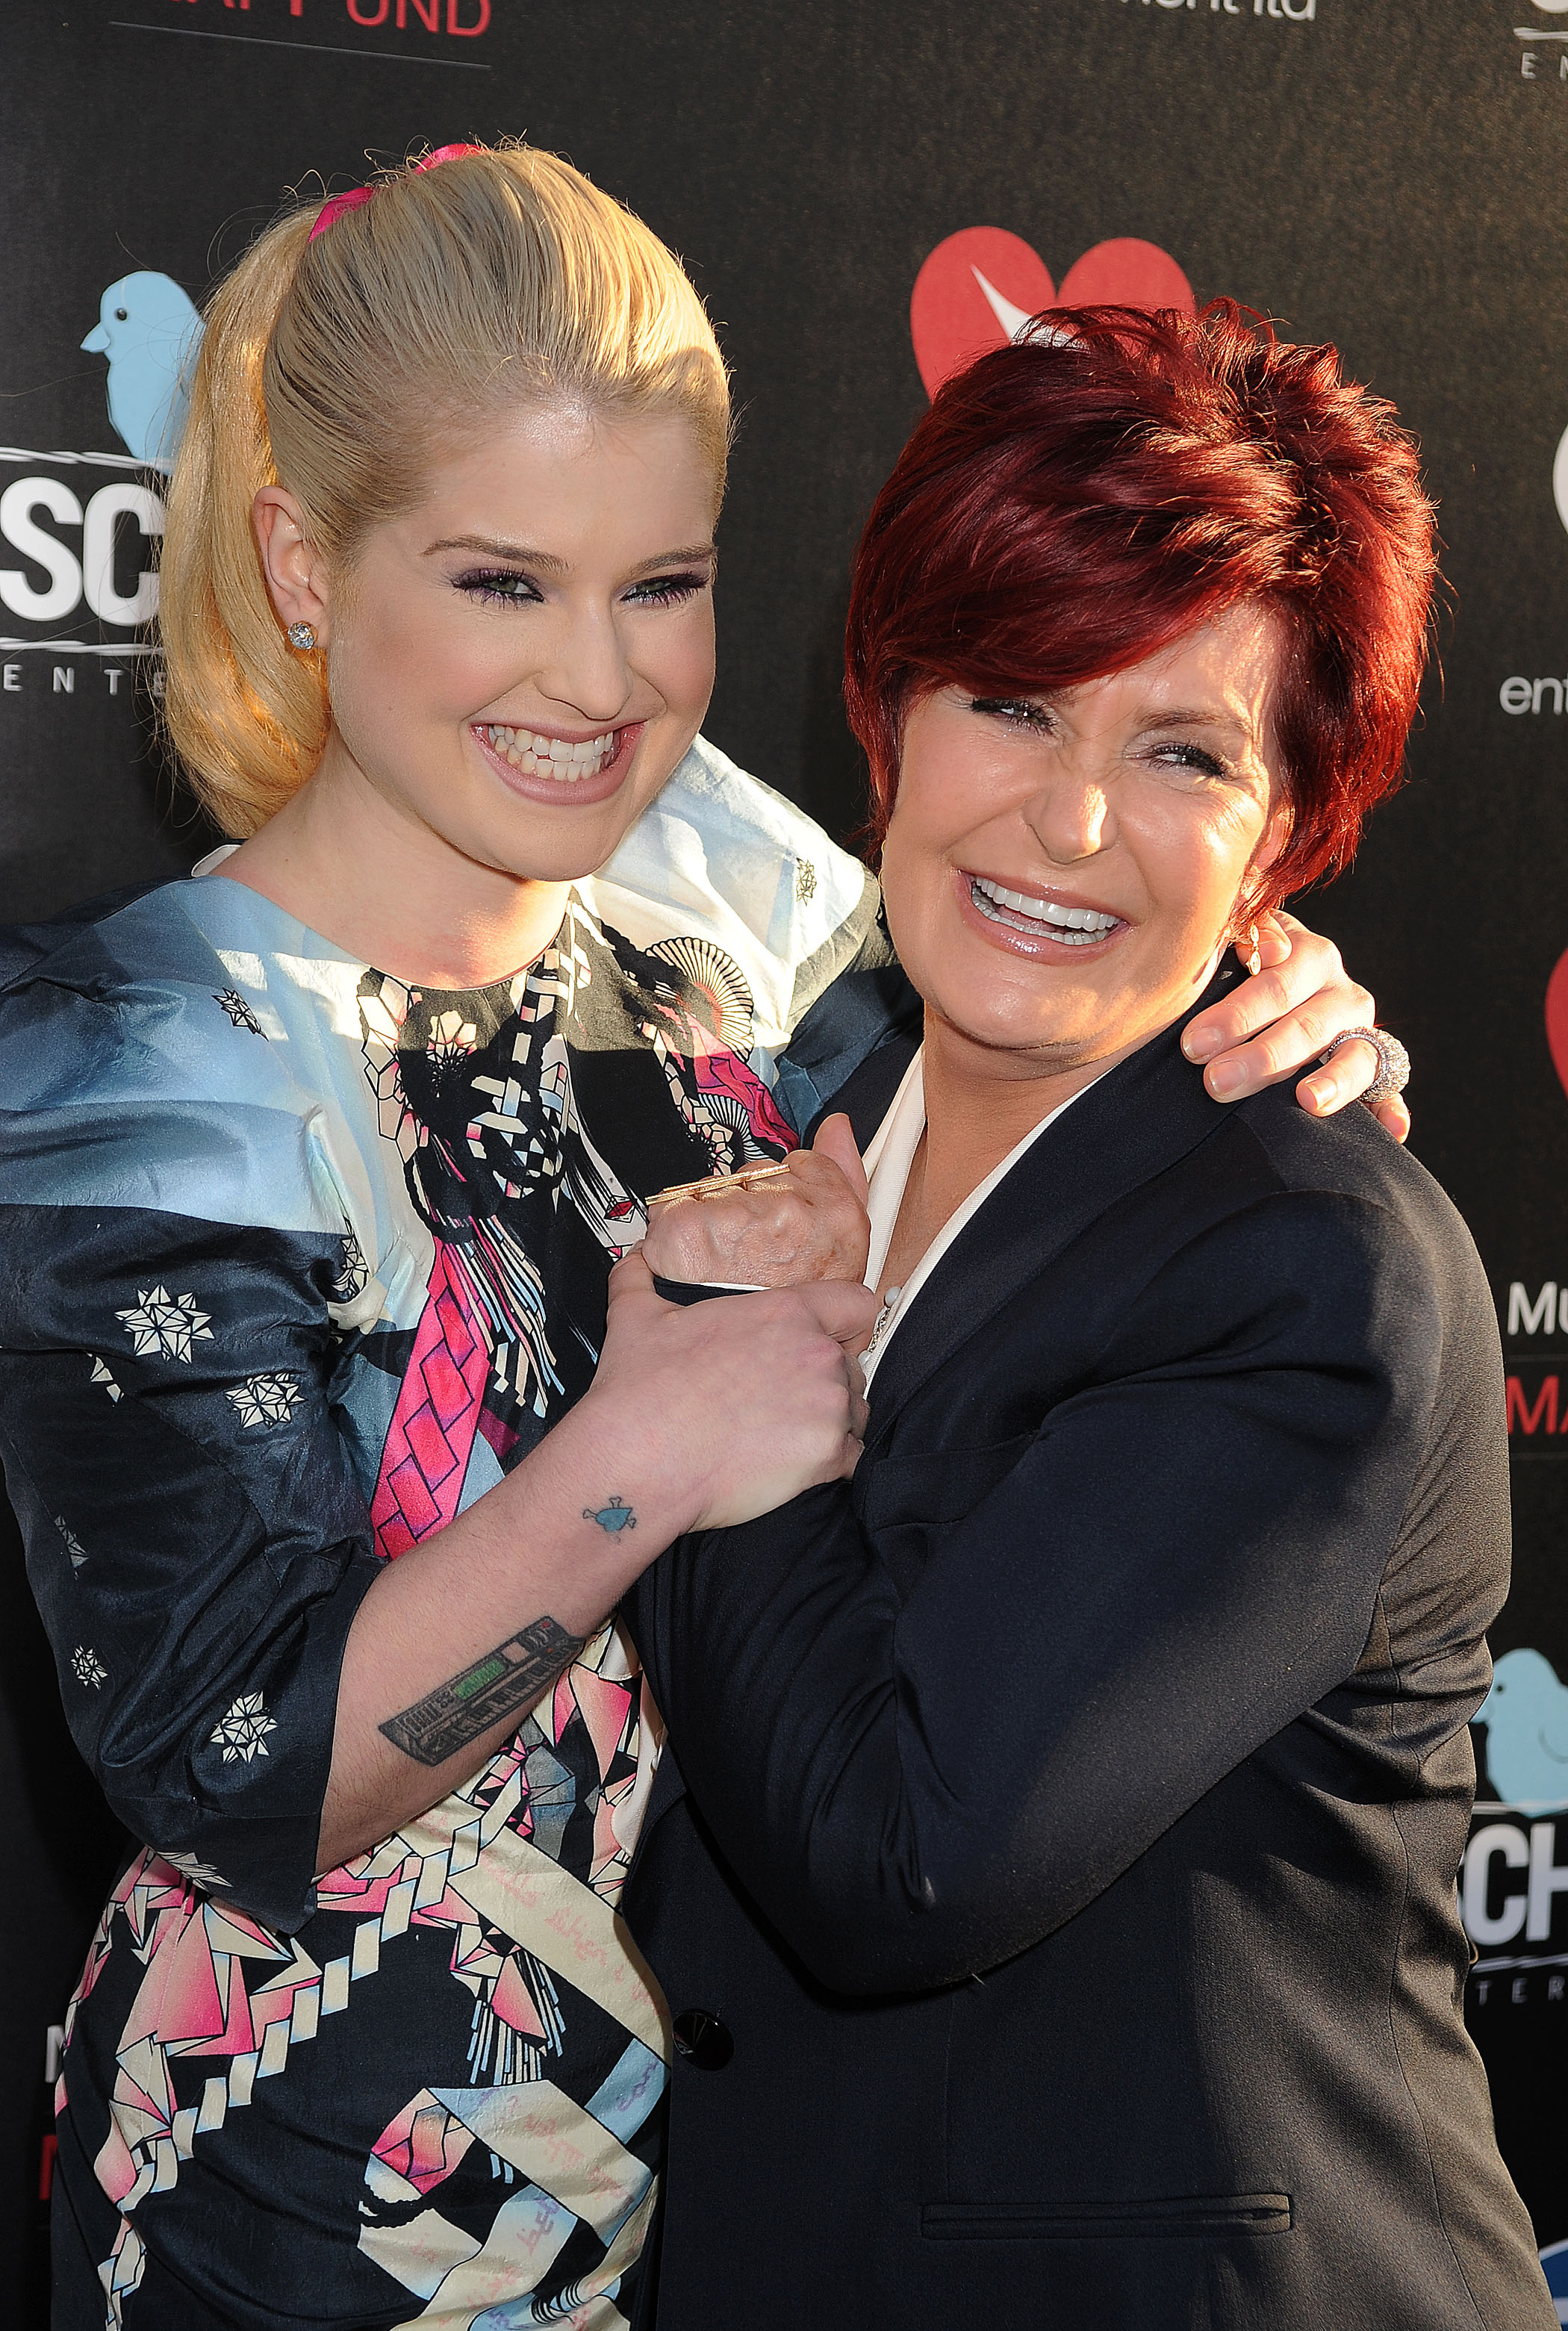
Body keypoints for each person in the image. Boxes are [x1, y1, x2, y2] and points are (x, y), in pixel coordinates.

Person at [0, 144, 1405, 2330]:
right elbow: (229, 1765)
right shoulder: (131, 1058)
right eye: (499, 582)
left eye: (660, 583)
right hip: (294, 2218)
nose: (603, 681)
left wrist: (1257, 963)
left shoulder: (719, 928)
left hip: (709, 2214)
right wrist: (647, 1445)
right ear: (299, 560)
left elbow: (1041, 944)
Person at [623, 305, 1554, 2330]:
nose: (1064, 824)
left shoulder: (1305, 1260)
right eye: (1015, 699)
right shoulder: (818, 1103)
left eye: (1181, 754)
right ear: (884, 709)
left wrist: (720, 1387)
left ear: (1284, 833)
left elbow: (897, 1857)